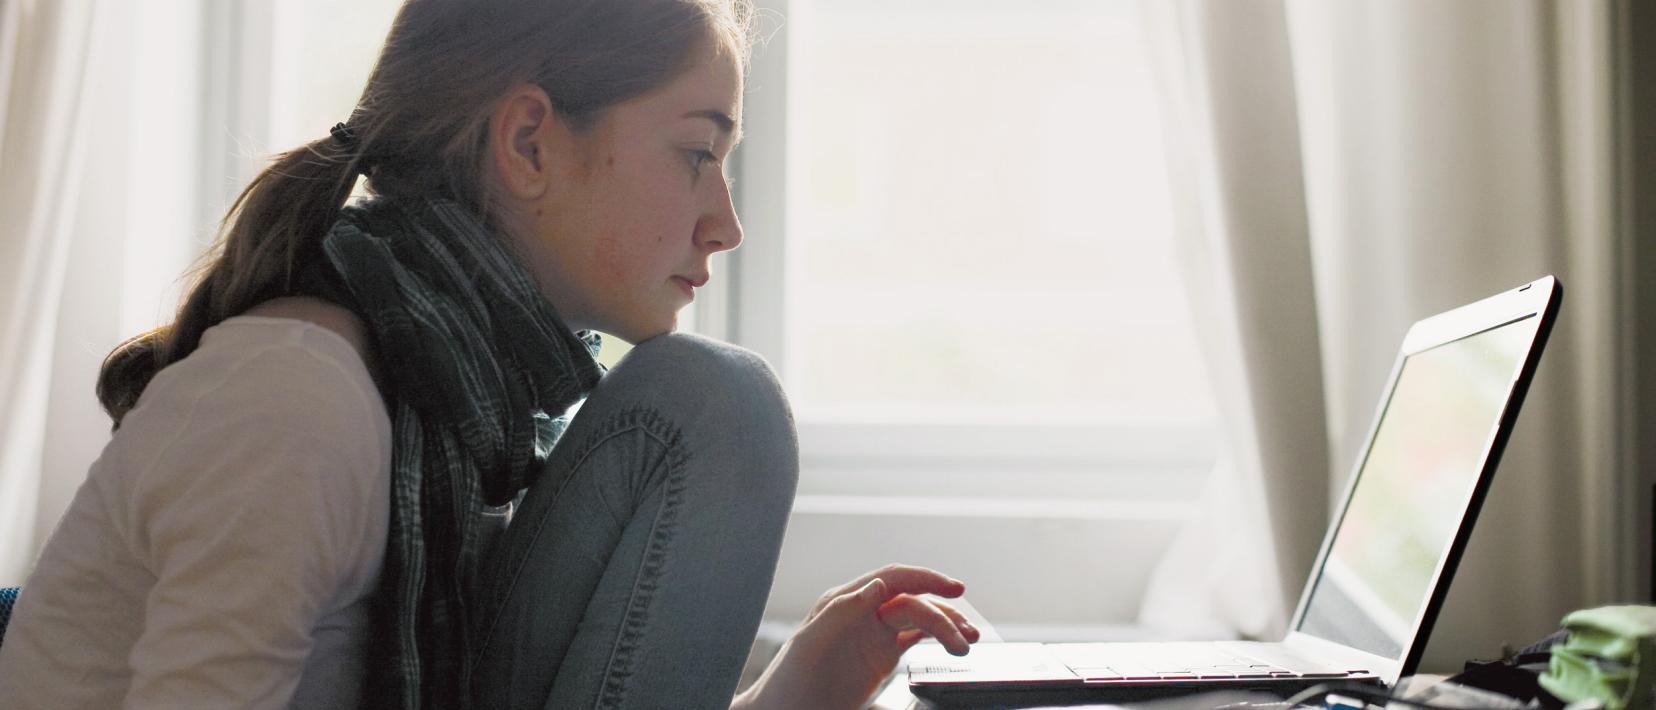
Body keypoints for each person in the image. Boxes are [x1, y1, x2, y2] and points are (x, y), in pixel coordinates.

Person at [0, 0, 980, 708]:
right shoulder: (296, 403)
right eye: (697, 151)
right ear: (528, 143)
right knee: (719, 402)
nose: (725, 223)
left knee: (709, 399)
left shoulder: (461, 413)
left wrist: (803, 686)